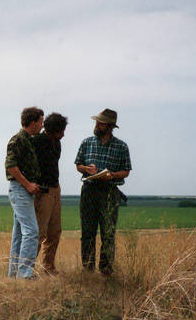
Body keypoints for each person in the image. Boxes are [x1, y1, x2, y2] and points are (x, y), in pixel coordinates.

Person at [74, 108, 132, 275]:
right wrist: (86, 169)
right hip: (89, 191)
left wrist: (111, 175)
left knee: (108, 233)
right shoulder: (87, 142)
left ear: (110, 126)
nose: (97, 125)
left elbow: (126, 171)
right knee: (87, 233)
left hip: (109, 192)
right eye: (97, 122)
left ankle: (106, 271)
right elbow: (78, 165)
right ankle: (88, 270)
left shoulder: (121, 146)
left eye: (101, 123)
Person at [5, 106, 45, 279]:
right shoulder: (18, 140)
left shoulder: (27, 139)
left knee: (20, 234)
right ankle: (25, 274)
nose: (42, 126)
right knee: (31, 231)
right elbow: (11, 166)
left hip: (23, 191)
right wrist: (28, 185)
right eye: (41, 122)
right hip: (20, 190)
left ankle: (14, 274)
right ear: (33, 122)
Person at [31, 112, 67, 275]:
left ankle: (48, 267)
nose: (64, 135)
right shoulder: (36, 142)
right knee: (39, 232)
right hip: (42, 191)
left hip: (55, 189)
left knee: (55, 231)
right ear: (52, 130)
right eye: (61, 131)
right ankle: (27, 269)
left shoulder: (57, 144)